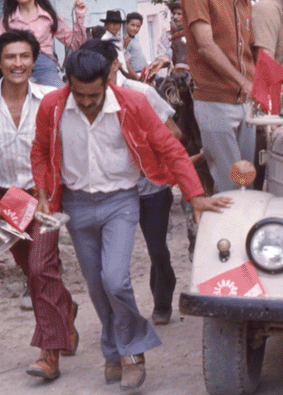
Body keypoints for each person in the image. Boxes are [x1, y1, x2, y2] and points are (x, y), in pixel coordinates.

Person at [31, 49, 227, 389]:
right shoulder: (52, 107)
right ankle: (113, 351)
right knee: (96, 285)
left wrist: (195, 195)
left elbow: (169, 148)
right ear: (67, 83)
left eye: (94, 95)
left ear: (108, 80)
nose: (88, 102)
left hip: (120, 201)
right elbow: (39, 151)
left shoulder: (133, 104)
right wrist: (43, 194)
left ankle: (133, 352)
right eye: (80, 95)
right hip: (76, 205)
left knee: (116, 280)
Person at [0, 29, 78, 381]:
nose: (18, 64)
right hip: (7, 200)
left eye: (24, 57)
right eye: (10, 57)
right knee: (34, 271)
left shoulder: (51, 97)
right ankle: (65, 310)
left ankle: (48, 352)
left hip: (45, 197)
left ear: (34, 59)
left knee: (41, 268)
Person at [80, 40, 183, 326]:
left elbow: (174, 134)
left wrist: (144, 154)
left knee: (156, 248)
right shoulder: (83, 99)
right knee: (110, 261)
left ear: (115, 65)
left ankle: (162, 299)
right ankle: (119, 316)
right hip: (111, 191)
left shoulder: (142, 93)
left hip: (150, 188)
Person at [183, 0, 257, 193]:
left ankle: (241, 234)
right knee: (229, 183)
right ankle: (223, 234)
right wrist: (245, 82)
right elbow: (205, 46)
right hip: (214, 101)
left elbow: (250, 50)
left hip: (244, 101)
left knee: (245, 178)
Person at [0, 0, 87, 88]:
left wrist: (79, 16)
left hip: (44, 65)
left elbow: (75, 43)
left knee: (56, 96)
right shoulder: (8, 18)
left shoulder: (49, 15)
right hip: (15, 66)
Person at [122, 12, 147, 76]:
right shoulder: (126, 40)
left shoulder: (134, 39)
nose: (135, 28)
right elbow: (126, 64)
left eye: (138, 26)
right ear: (126, 24)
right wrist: (137, 78)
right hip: (136, 75)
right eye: (132, 25)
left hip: (144, 72)